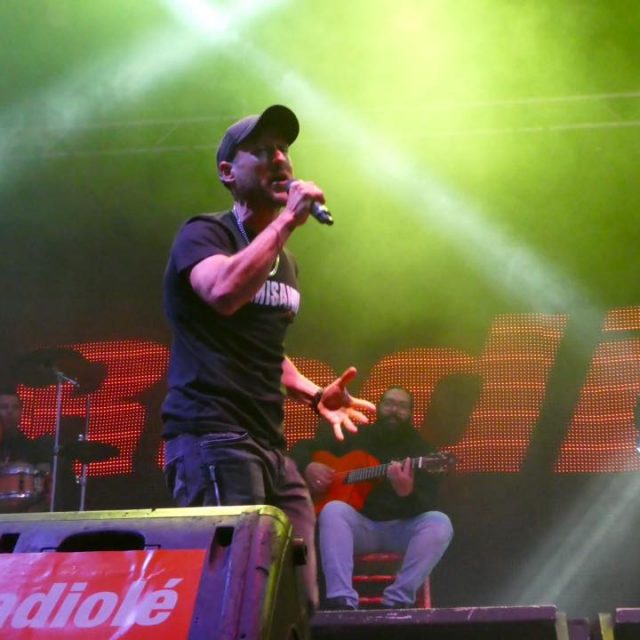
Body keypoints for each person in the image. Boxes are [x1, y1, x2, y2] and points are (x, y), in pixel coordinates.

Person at [161, 104, 375, 610]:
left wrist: (314, 394)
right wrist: (288, 223)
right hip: (213, 434)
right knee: (236, 599)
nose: (278, 159)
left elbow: (265, 348)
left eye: (283, 150)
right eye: (260, 151)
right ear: (227, 173)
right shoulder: (204, 234)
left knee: (297, 599)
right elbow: (223, 293)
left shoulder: (286, 262)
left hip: (271, 446)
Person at [291, 386, 453, 610]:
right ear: (379, 407)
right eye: (389, 404)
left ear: (411, 413)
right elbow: (301, 448)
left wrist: (406, 493)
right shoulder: (357, 435)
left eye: (402, 406)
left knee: (440, 523)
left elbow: (429, 504)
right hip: (361, 528)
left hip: (400, 530)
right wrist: (308, 466)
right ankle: (342, 600)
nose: (394, 410)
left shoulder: (422, 451)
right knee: (333, 510)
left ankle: (397, 600)